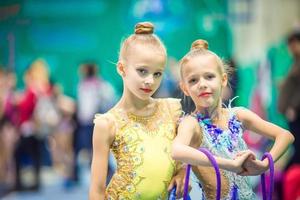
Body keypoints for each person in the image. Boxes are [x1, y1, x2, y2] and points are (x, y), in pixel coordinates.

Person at [171, 39, 294, 199]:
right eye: (193, 80)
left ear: (223, 80)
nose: (202, 84)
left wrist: (264, 165)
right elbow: (176, 150)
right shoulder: (191, 124)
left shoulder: (238, 115)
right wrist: (231, 165)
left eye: (209, 76)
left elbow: (286, 136)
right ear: (185, 88)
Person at [89, 22, 186, 199]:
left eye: (157, 74)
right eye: (142, 71)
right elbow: (96, 190)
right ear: (122, 68)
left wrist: (182, 173)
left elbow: (185, 155)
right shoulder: (107, 123)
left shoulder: (171, 110)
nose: (150, 80)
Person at [278, 30, 300, 200]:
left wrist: (294, 106)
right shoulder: (295, 62)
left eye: (294, 43)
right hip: (292, 116)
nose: (292, 48)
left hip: (297, 115)